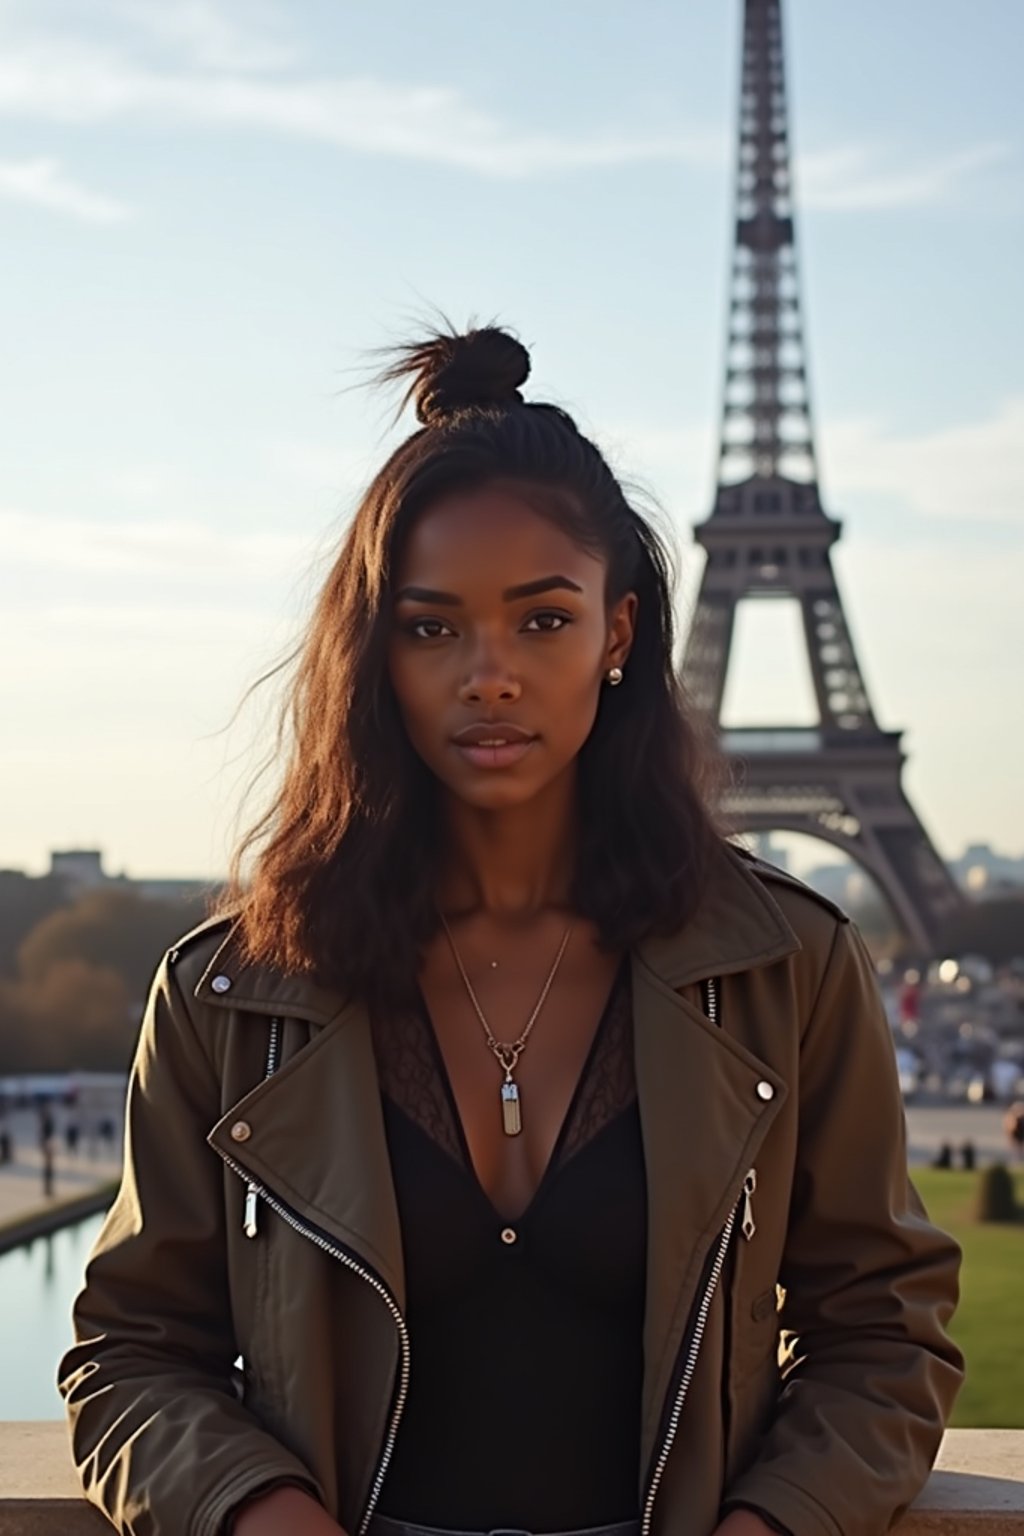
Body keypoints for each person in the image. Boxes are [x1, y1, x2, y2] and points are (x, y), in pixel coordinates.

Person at [59, 326, 963, 1536]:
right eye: (433, 628)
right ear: (377, 655)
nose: (490, 675)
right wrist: (264, 1518)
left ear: (620, 635)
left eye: (542, 622)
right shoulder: (228, 991)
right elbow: (130, 1352)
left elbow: (881, 1333)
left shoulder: (788, 965)